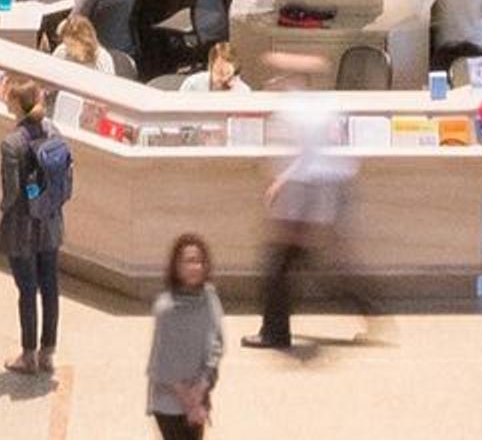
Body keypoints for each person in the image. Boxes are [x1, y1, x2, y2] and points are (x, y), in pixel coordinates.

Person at [249, 59, 352, 349]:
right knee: (310, 266)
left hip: (303, 201)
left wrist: (279, 183)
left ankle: (275, 333)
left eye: (279, 77)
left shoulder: (293, 112)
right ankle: (367, 305)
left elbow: (303, 158)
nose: (272, 82)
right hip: (317, 198)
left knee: (277, 270)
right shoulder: (320, 107)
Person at [0, 78, 74, 374]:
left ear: (16, 104)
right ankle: (47, 352)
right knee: (50, 286)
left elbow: (11, 192)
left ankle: (28, 355)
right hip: (50, 220)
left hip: (22, 226)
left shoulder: (11, 143)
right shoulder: (53, 129)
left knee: (27, 289)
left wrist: (4, 211)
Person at [147, 234, 228, 440]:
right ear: (176, 266)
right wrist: (189, 401)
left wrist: (200, 390)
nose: (195, 267)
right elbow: (162, 362)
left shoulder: (210, 298)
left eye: (199, 261)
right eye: (189, 261)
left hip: (199, 393)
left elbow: (216, 344)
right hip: (169, 401)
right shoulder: (166, 308)